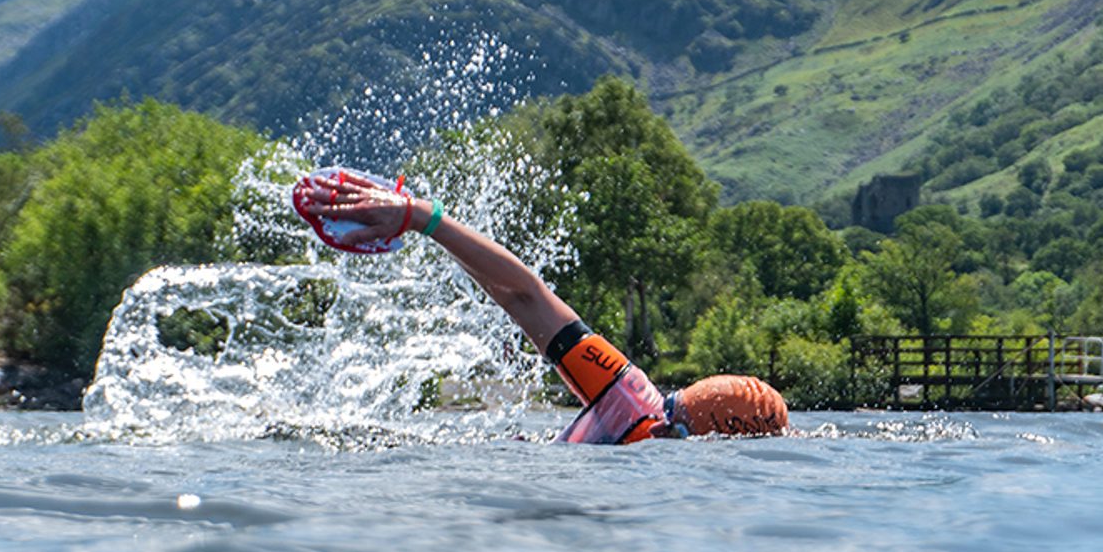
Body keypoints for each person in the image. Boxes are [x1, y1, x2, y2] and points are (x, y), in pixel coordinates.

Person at [296, 171, 788, 443]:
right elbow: (526, 295)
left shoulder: (640, 411)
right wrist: (422, 218)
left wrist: (423, 222)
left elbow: (524, 297)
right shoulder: (635, 406)